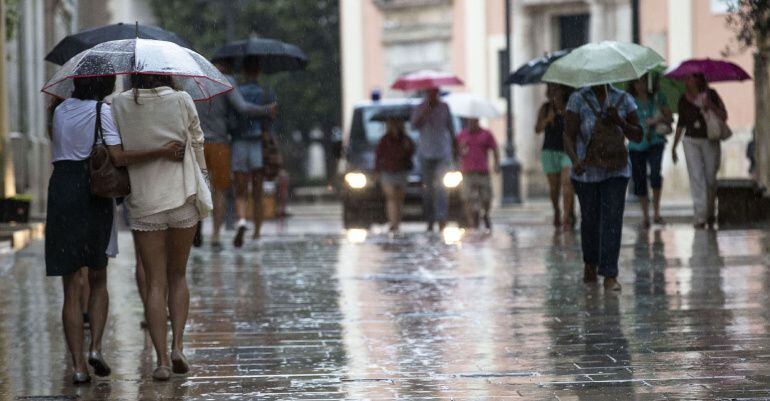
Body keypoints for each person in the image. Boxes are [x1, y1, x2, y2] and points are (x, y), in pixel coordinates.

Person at [46, 73, 184, 384]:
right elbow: (118, 156)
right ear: (105, 85)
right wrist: (161, 150)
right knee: (98, 277)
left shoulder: (59, 111)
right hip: (94, 193)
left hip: (61, 192)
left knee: (70, 286)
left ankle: (78, 367)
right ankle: (95, 347)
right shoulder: (102, 111)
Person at [112, 74, 212, 381]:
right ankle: (178, 346)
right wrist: (204, 180)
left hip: (145, 200)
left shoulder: (118, 105)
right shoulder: (181, 100)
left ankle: (161, 361)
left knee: (155, 282)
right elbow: (198, 142)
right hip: (182, 194)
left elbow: (116, 151)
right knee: (178, 275)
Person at [564, 84, 643, 292]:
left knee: (612, 220)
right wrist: (574, 160)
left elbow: (638, 135)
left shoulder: (623, 99)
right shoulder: (578, 99)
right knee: (590, 220)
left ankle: (610, 274)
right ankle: (590, 263)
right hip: (586, 172)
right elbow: (568, 135)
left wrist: (620, 121)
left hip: (617, 171)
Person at [196, 59, 277, 248]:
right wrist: (266, 110)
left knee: (197, 189)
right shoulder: (224, 81)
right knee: (220, 191)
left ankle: (196, 230)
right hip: (219, 143)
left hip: (197, 143)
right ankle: (216, 234)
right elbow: (242, 108)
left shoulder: (195, 80)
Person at [231, 56, 278, 247]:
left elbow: (232, 115)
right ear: (258, 71)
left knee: (240, 191)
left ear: (243, 71)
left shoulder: (237, 92)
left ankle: (242, 220)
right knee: (258, 192)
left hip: (239, 142)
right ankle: (257, 232)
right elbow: (273, 118)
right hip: (259, 143)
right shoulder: (266, 93)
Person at [671, 73, 727, 229]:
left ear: (698, 79)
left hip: (710, 139)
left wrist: (710, 107)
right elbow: (681, 124)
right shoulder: (683, 99)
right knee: (696, 177)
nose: (686, 80)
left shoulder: (711, 94)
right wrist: (674, 146)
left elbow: (724, 115)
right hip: (690, 140)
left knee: (710, 178)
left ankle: (710, 211)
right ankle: (700, 216)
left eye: (690, 77)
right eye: (686, 78)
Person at [627, 74, 674, 228]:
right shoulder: (629, 101)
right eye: (637, 82)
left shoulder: (658, 98)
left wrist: (657, 119)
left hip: (656, 141)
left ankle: (656, 213)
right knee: (639, 179)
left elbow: (670, 119)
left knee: (655, 174)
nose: (640, 85)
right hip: (636, 144)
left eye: (642, 81)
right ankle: (645, 215)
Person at [410, 88, 456, 232]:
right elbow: (413, 126)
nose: (433, 96)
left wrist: (455, 148)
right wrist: (425, 113)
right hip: (425, 153)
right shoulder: (420, 107)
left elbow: (451, 129)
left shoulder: (445, 107)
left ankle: (442, 218)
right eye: (430, 93)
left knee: (442, 187)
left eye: (435, 93)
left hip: (442, 152)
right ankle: (429, 219)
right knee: (428, 189)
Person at [535, 84, 575, 229]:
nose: (554, 91)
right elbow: (537, 129)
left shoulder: (570, 106)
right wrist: (547, 119)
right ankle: (557, 210)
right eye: (552, 88)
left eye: (557, 88)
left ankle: (567, 216)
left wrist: (564, 114)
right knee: (554, 188)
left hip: (567, 151)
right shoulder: (545, 108)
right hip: (549, 151)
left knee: (567, 182)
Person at [457, 118, 500, 230]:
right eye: (470, 121)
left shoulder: (486, 134)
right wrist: (460, 148)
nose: (472, 124)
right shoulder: (462, 135)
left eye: (474, 121)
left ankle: (485, 214)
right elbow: (456, 151)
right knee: (467, 197)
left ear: (477, 121)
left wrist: (496, 163)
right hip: (467, 172)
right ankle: (472, 220)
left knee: (486, 197)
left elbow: (495, 148)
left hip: (482, 171)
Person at [374, 116, 415, 233]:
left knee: (399, 198)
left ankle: (397, 222)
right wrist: (377, 171)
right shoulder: (384, 140)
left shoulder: (405, 139)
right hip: (387, 171)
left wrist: (407, 147)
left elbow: (411, 152)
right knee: (391, 197)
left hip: (401, 170)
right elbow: (378, 156)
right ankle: (393, 223)